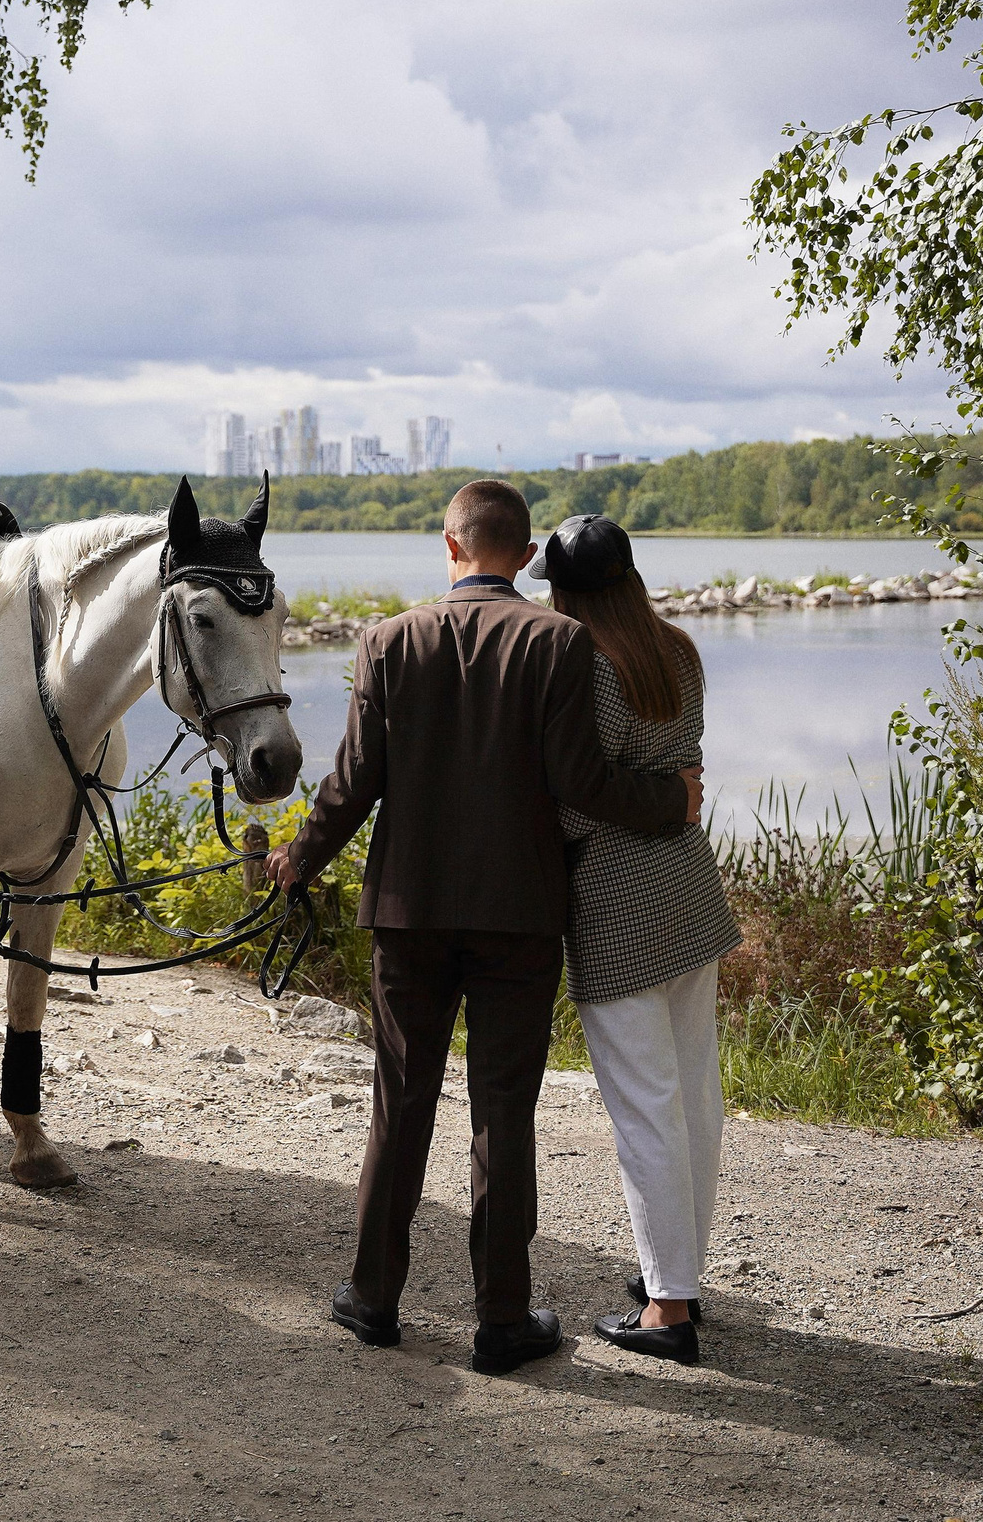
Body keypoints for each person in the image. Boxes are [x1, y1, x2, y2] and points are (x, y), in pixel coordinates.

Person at [264, 480, 701, 1374]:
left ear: (448, 543)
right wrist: (673, 802)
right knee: (504, 1112)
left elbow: (353, 781)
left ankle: (373, 1298)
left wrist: (297, 858)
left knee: (401, 1099)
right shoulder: (559, 641)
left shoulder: (387, 640)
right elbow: (580, 781)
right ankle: (503, 1319)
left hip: (410, 914)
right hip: (519, 915)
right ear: (528, 554)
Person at [531, 513, 740, 1367]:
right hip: (689, 884)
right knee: (693, 1093)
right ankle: (678, 1273)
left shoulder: (588, 665)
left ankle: (668, 1308)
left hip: (618, 902)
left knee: (645, 1107)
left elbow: (580, 804)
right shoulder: (677, 650)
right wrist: (669, 793)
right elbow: (678, 772)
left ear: (566, 590)